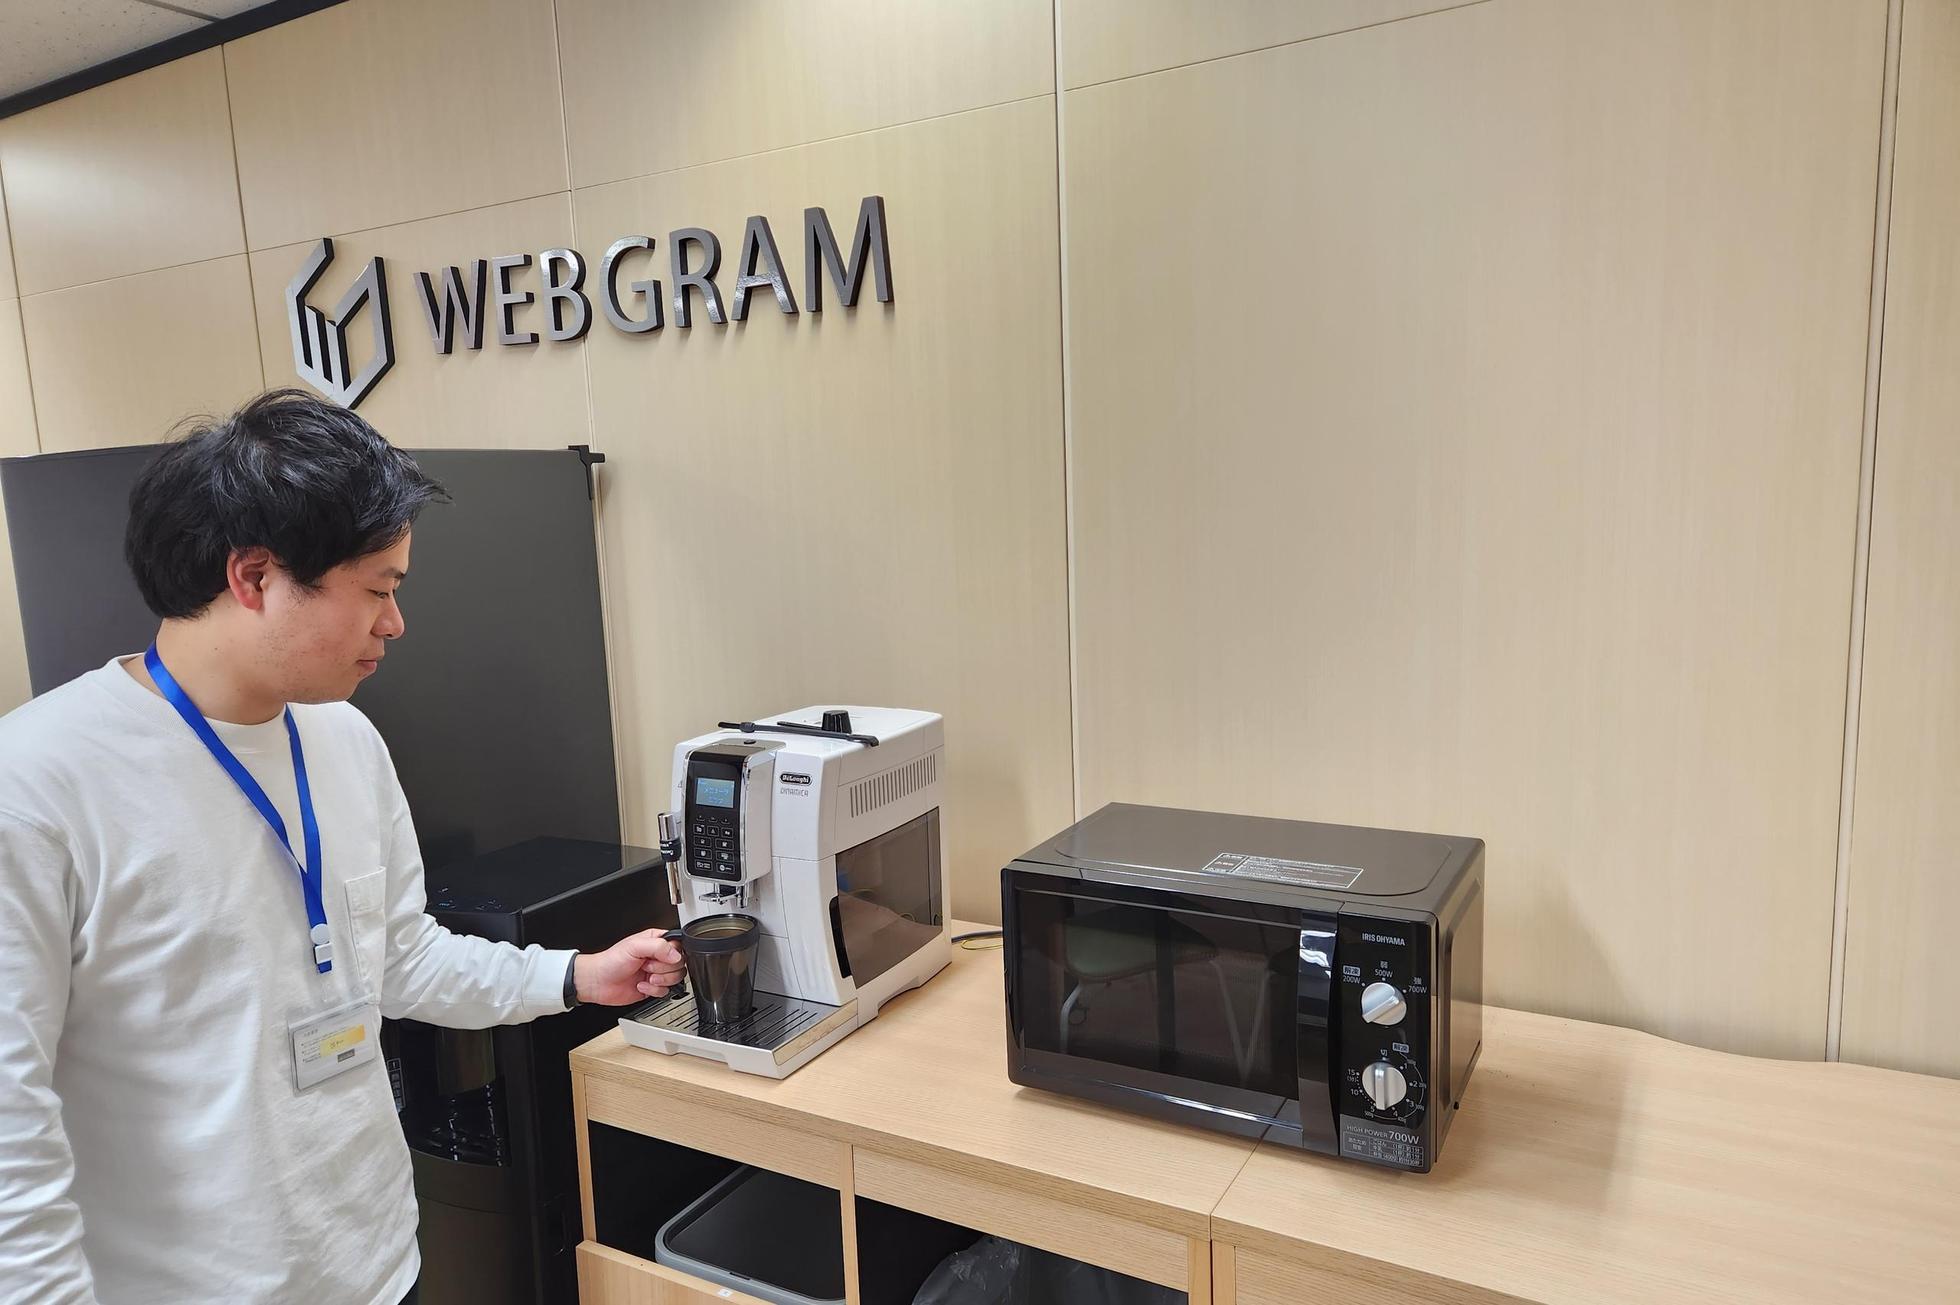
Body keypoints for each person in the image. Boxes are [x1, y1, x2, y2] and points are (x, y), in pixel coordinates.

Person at [0, 390, 687, 1305]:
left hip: (375, 1262)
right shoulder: (36, 785)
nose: (394, 623)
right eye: (378, 589)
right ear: (254, 577)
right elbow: (12, 1133)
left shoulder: (342, 738)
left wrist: (575, 976)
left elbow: (398, 957)